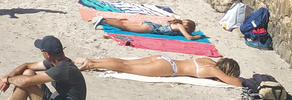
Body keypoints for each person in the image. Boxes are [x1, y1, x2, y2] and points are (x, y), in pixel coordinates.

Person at [0, 35, 86, 100]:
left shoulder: (63, 69)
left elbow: (25, 82)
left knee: (26, 84)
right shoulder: (57, 61)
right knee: (28, 72)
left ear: (47, 54)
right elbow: (26, 65)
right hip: (55, 98)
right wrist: (9, 78)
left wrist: (7, 79)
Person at [75, 55, 241, 86]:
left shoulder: (209, 61)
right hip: (170, 68)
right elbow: (237, 84)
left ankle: (92, 60)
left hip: (165, 58)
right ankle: (90, 65)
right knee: (126, 67)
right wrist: (226, 77)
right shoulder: (213, 70)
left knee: (125, 62)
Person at [92, 17, 202, 40]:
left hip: (150, 25)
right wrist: (197, 36)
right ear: (186, 27)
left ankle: (105, 20)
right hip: (150, 28)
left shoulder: (177, 23)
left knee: (126, 25)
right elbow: (188, 38)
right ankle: (104, 21)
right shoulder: (180, 26)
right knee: (126, 28)